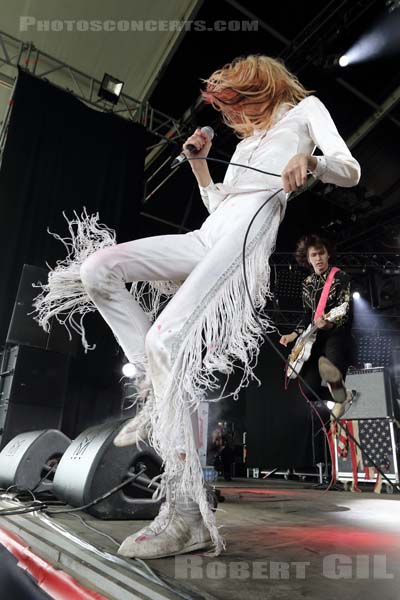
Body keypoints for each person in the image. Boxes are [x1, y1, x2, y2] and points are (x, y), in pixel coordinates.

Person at [40, 55, 360, 558]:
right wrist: (198, 162)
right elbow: (217, 205)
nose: (238, 115)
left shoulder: (306, 111)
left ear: (259, 87)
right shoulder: (248, 143)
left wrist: (313, 162)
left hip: (245, 240)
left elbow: (350, 169)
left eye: (240, 101)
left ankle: (186, 515)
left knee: (167, 340)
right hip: (208, 235)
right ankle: (154, 392)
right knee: (98, 268)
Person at [279, 234, 354, 418]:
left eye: (321, 253)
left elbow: (344, 309)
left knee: (333, 356)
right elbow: (307, 315)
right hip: (313, 337)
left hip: (335, 332)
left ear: (328, 255)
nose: (318, 258)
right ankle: (343, 397)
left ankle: (339, 387)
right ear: (308, 259)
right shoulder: (307, 284)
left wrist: (329, 323)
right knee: (308, 389)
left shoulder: (340, 277)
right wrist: (293, 334)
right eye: (314, 255)